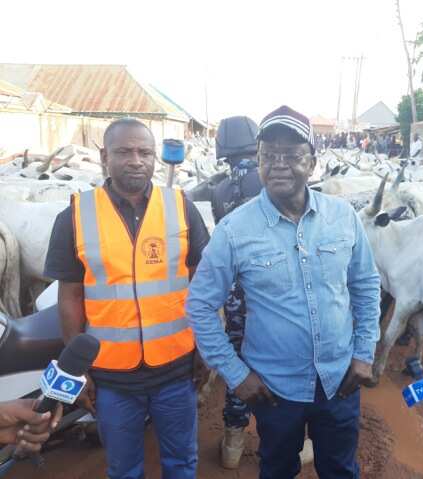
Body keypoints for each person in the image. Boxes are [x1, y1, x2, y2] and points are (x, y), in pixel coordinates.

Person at [187, 105, 381, 479]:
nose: (278, 164)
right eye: (268, 155)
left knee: (341, 470)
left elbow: (366, 285)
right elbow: (199, 306)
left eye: (291, 155)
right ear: (257, 161)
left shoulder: (342, 217)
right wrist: (235, 374)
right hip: (275, 391)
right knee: (277, 470)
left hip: (340, 381)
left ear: (312, 162)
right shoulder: (234, 230)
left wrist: (364, 353)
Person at [44, 118, 210, 479]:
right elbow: (71, 297)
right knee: (123, 469)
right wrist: (79, 369)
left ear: (154, 158)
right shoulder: (74, 216)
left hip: (176, 371)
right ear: (105, 157)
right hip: (112, 378)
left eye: (144, 152)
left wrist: (206, 349)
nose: (136, 160)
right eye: (124, 152)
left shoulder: (182, 208)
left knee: (182, 462)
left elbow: (203, 285)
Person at [209, 116, 262, 469]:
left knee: (238, 360)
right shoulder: (273, 180)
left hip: (236, 294)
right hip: (274, 293)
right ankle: (290, 439)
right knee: (286, 360)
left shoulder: (218, 190)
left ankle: (233, 442)